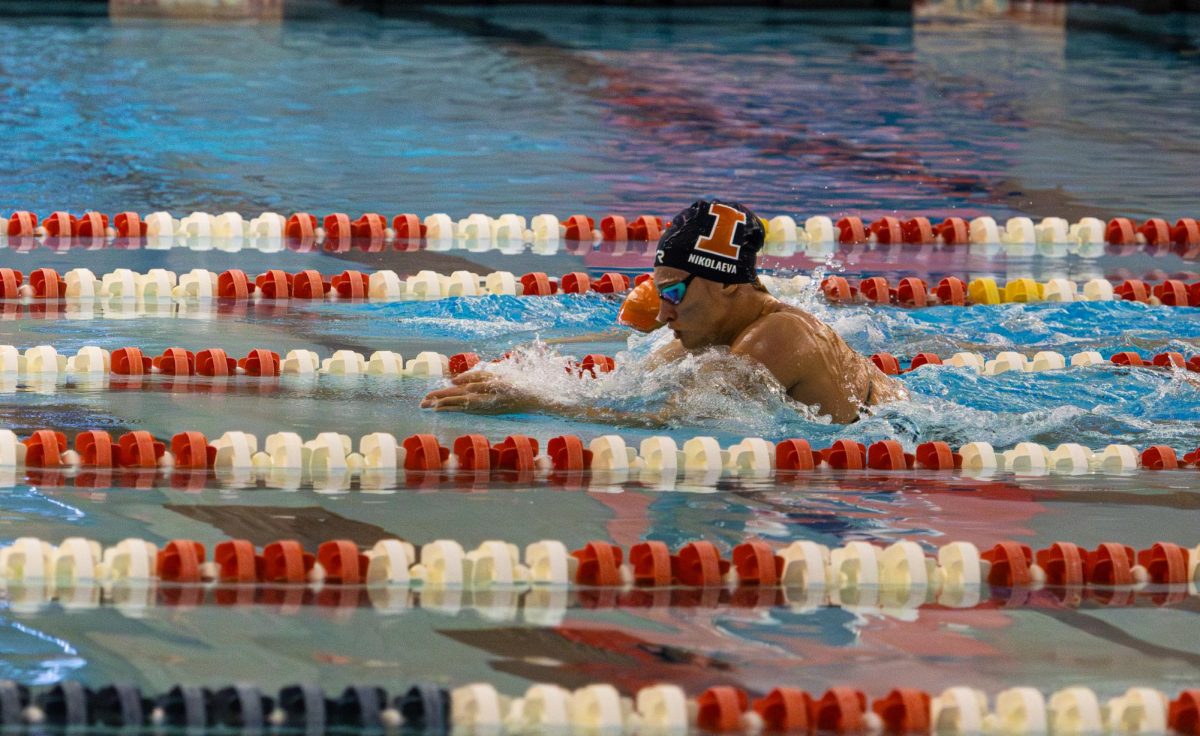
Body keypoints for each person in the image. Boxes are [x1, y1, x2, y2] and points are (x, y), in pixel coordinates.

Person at [421, 199, 906, 423]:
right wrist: (527, 373)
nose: (663, 315)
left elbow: (676, 420)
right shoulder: (714, 334)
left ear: (724, 285)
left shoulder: (777, 336)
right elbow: (626, 388)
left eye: (672, 295)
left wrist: (532, 403)